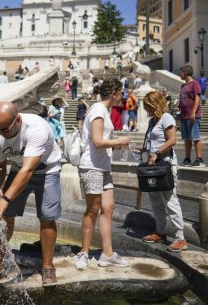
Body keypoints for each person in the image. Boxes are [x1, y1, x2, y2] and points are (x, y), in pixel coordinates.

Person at [0, 102, 62, 286]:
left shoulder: (37, 129)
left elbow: (28, 170)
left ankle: (48, 267)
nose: (1, 133)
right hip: (19, 168)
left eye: (5, 129)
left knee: (47, 217)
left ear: (18, 120)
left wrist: (5, 199)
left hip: (47, 171)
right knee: (5, 216)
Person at [75, 78, 131, 271]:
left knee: (108, 208)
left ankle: (107, 254)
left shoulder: (103, 111)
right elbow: (98, 141)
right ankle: (83, 252)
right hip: (92, 167)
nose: (122, 96)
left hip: (102, 166)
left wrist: (116, 144)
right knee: (92, 210)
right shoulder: (98, 110)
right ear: (114, 93)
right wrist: (119, 141)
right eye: (121, 92)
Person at [139, 91, 188, 252]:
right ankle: (160, 232)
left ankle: (180, 238)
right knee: (156, 201)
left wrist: (157, 152)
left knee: (170, 200)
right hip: (153, 165)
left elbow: (172, 140)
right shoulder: (153, 120)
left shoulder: (166, 117)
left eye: (149, 106)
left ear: (156, 104)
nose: (147, 109)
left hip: (165, 164)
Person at [178, 65, 205, 167]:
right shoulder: (183, 86)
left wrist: (193, 112)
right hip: (184, 116)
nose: (180, 74)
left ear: (184, 72)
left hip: (193, 116)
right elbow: (183, 99)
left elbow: (197, 99)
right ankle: (187, 158)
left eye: (181, 72)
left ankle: (199, 159)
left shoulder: (195, 84)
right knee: (187, 138)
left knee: (195, 137)